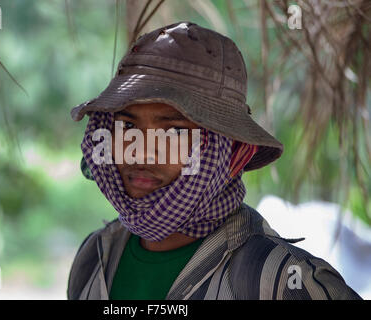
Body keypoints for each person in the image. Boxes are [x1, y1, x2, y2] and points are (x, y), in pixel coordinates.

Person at [67, 21, 362, 300]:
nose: (143, 152)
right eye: (127, 127)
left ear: (235, 154)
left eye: (175, 132)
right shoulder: (94, 258)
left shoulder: (279, 280)